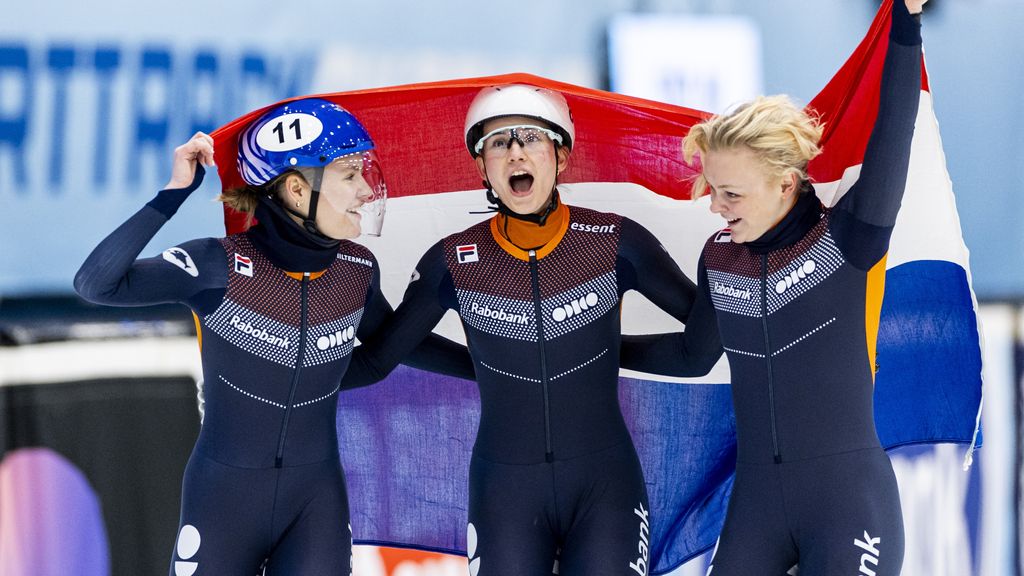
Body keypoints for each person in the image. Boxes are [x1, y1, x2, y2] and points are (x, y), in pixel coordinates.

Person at [74, 98, 471, 576]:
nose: (367, 189)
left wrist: (490, 366)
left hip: (315, 505)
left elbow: (383, 355)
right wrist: (174, 193)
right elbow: (96, 284)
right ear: (298, 190)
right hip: (223, 503)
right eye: (349, 174)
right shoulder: (216, 265)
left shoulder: (356, 270)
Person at [341, 84, 721, 575]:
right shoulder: (451, 262)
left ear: (560, 155)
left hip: (606, 486)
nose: (516, 152)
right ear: (482, 167)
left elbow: (698, 353)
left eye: (531, 139)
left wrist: (734, 253)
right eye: (498, 143)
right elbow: (379, 357)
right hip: (506, 494)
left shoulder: (617, 242)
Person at [626, 1, 927, 573]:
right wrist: (600, 347)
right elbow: (694, 356)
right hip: (756, 507)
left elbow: (894, 130)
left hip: (847, 504)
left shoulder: (849, 236)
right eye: (711, 189)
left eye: (731, 194)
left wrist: (907, 23)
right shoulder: (719, 258)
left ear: (786, 182)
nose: (714, 206)